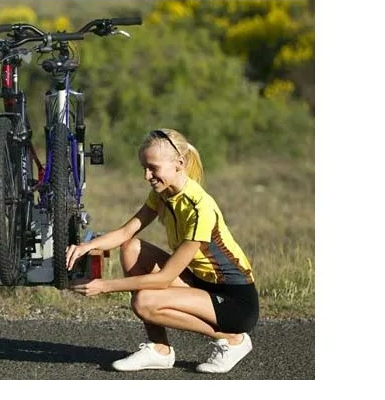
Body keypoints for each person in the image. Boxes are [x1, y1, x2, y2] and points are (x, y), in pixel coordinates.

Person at [65, 128, 259, 374]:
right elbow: (126, 233)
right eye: (144, 168)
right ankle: (160, 350)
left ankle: (233, 340)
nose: (147, 175)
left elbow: (165, 278)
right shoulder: (164, 194)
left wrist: (103, 286)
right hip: (201, 283)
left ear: (179, 164)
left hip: (235, 301)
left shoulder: (199, 208)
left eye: (153, 168)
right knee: (131, 247)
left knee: (145, 301)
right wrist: (86, 246)